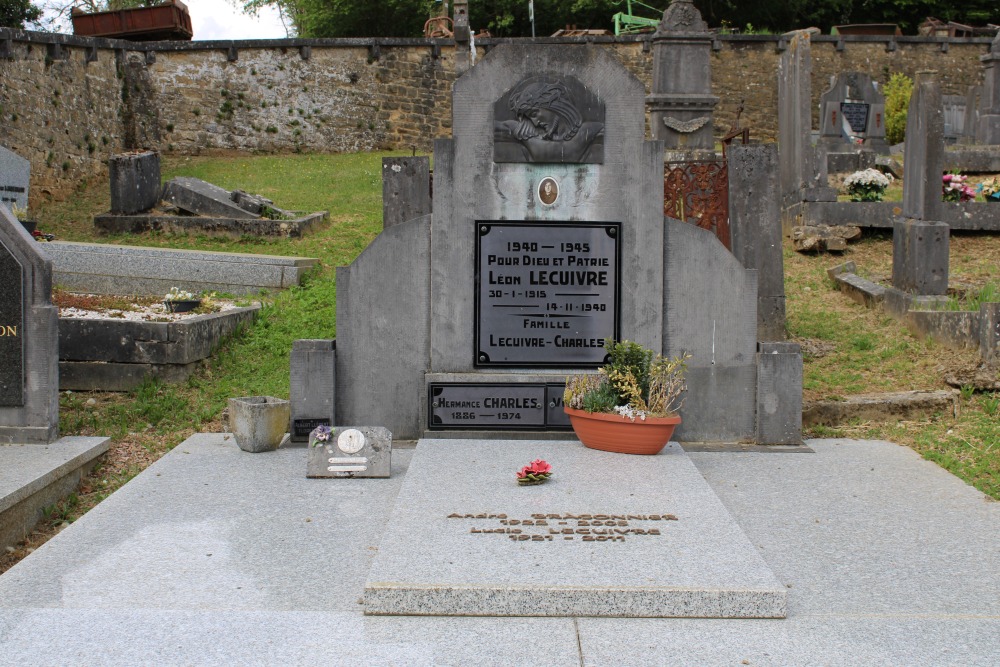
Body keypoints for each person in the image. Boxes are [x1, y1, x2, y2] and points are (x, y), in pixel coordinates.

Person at [494, 80, 604, 163]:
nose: (536, 123)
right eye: (530, 118)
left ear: (552, 105)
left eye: (534, 114)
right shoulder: (517, 130)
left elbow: (564, 153)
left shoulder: (591, 130)